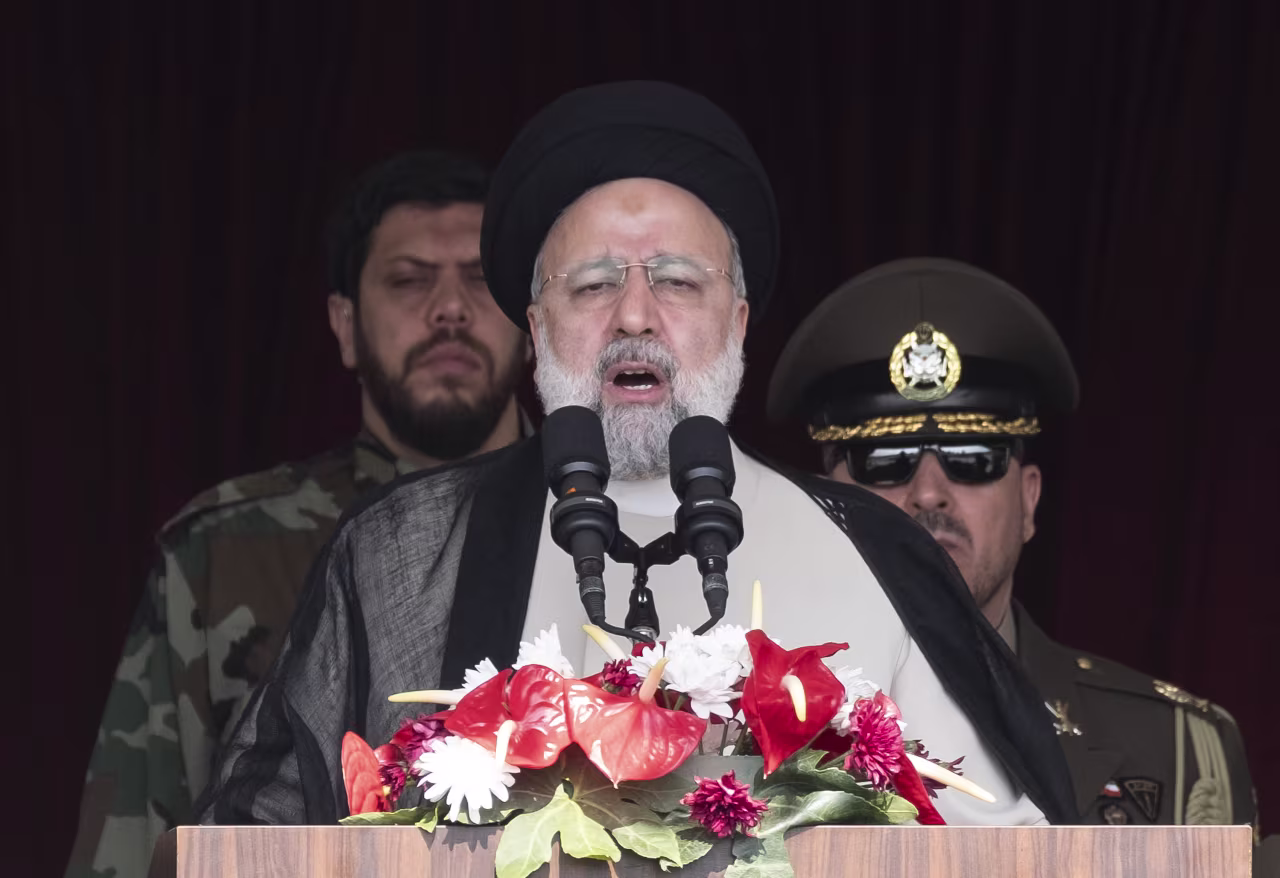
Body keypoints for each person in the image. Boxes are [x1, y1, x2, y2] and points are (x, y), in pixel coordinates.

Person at [196, 82, 1076, 829]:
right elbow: (268, 843)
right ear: (537, 330)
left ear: (736, 323)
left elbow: (1002, 849)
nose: (634, 316)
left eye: (679, 281)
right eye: (593, 284)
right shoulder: (406, 554)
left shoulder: (874, 555)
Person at [66, 151, 530, 878]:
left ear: (533, 320)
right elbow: (132, 842)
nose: (449, 308)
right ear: (344, 325)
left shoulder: (601, 530)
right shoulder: (226, 549)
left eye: (480, 279)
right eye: (409, 280)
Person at [767, 256, 1260, 831]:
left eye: (973, 461)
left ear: (1028, 501)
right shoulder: (738, 721)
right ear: (826, 505)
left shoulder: (1177, 747)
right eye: (885, 463)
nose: (929, 493)